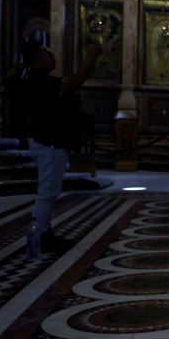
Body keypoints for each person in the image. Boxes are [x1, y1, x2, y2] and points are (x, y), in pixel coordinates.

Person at [19, 40, 103, 254]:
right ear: (36, 59)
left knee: (49, 192)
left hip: (48, 141)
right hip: (48, 143)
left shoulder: (35, 79)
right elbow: (75, 82)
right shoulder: (38, 80)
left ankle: (44, 234)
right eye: (48, 54)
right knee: (47, 194)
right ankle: (35, 239)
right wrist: (91, 57)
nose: (53, 57)